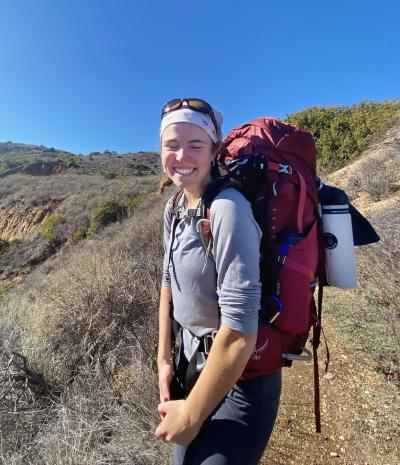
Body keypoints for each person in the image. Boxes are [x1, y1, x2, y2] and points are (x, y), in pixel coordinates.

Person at [155, 98, 281, 465]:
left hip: (240, 379)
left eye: (195, 145)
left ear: (214, 149)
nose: (181, 156)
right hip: (189, 364)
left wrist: (192, 415)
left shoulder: (227, 209)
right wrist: (164, 360)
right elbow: (167, 283)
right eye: (171, 145)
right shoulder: (175, 206)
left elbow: (240, 332)